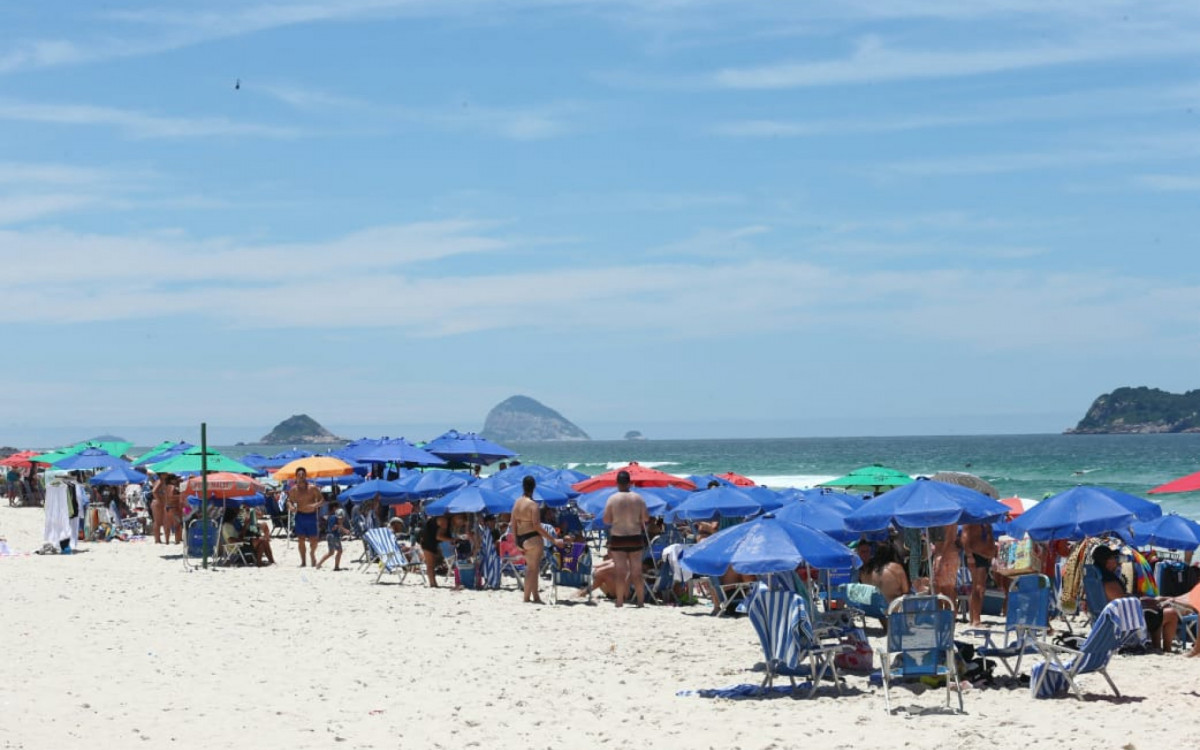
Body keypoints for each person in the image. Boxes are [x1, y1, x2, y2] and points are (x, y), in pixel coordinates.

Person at [1092, 545, 1180, 652]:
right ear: (1107, 561)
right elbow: (1124, 603)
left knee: (1158, 607)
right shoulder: (1109, 582)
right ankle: (1165, 649)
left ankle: (1156, 647)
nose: (1116, 560)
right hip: (1125, 623)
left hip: (1116, 618)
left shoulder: (1098, 578)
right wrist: (1145, 601)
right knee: (1171, 613)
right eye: (1113, 558)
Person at [511, 475, 563, 604]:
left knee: (532, 568)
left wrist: (516, 541)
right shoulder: (533, 505)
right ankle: (526, 597)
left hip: (521, 538)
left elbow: (513, 523)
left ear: (523, 486)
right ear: (534, 487)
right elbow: (536, 526)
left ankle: (535, 596)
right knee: (532, 569)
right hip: (532, 537)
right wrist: (553, 540)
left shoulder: (517, 503)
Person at [602, 470, 650, 608]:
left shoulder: (612, 499)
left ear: (617, 483)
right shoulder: (638, 498)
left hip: (618, 537)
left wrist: (617, 519)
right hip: (635, 536)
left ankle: (619, 601)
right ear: (630, 483)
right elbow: (646, 518)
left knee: (620, 571)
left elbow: (606, 520)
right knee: (637, 572)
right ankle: (640, 602)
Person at [961, 523, 998, 627]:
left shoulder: (985, 521)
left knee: (979, 588)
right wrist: (969, 555)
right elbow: (964, 537)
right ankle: (976, 620)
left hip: (984, 555)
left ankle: (973, 618)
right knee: (978, 587)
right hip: (975, 554)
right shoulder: (972, 520)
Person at [287, 467, 324, 567]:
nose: (301, 477)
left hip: (311, 516)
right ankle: (303, 561)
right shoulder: (294, 490)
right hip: (300, 515)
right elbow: (289, 501)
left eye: (303, 475)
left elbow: (322, 500)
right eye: (299, 475)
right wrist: (291, 507)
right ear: (296, 476)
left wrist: (315, 505)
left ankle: (312, 554)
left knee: (313, 540)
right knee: (301, 540)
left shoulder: (312, 488)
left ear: (306, 476)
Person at [315, 502, 349, 570]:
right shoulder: (335, 517)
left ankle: (319, 564)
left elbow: (333, 527)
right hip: (334, 536)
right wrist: (343, 529)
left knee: (331, 552)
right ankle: (336, 567)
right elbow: (334, 527)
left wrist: (342, 528)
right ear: (334, 508)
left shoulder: (330, 517)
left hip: (329, 536)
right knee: (339, 551)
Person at [150, 473, 169, 544]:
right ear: (162, 475)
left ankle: (158, 539)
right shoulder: (160, 481)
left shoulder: (159, 481)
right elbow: (154, 491)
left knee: (159, 521)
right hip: (158, 502)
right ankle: (157, 539)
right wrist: (159, 499)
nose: (167, 475)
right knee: (158, 522)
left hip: (158, 502)